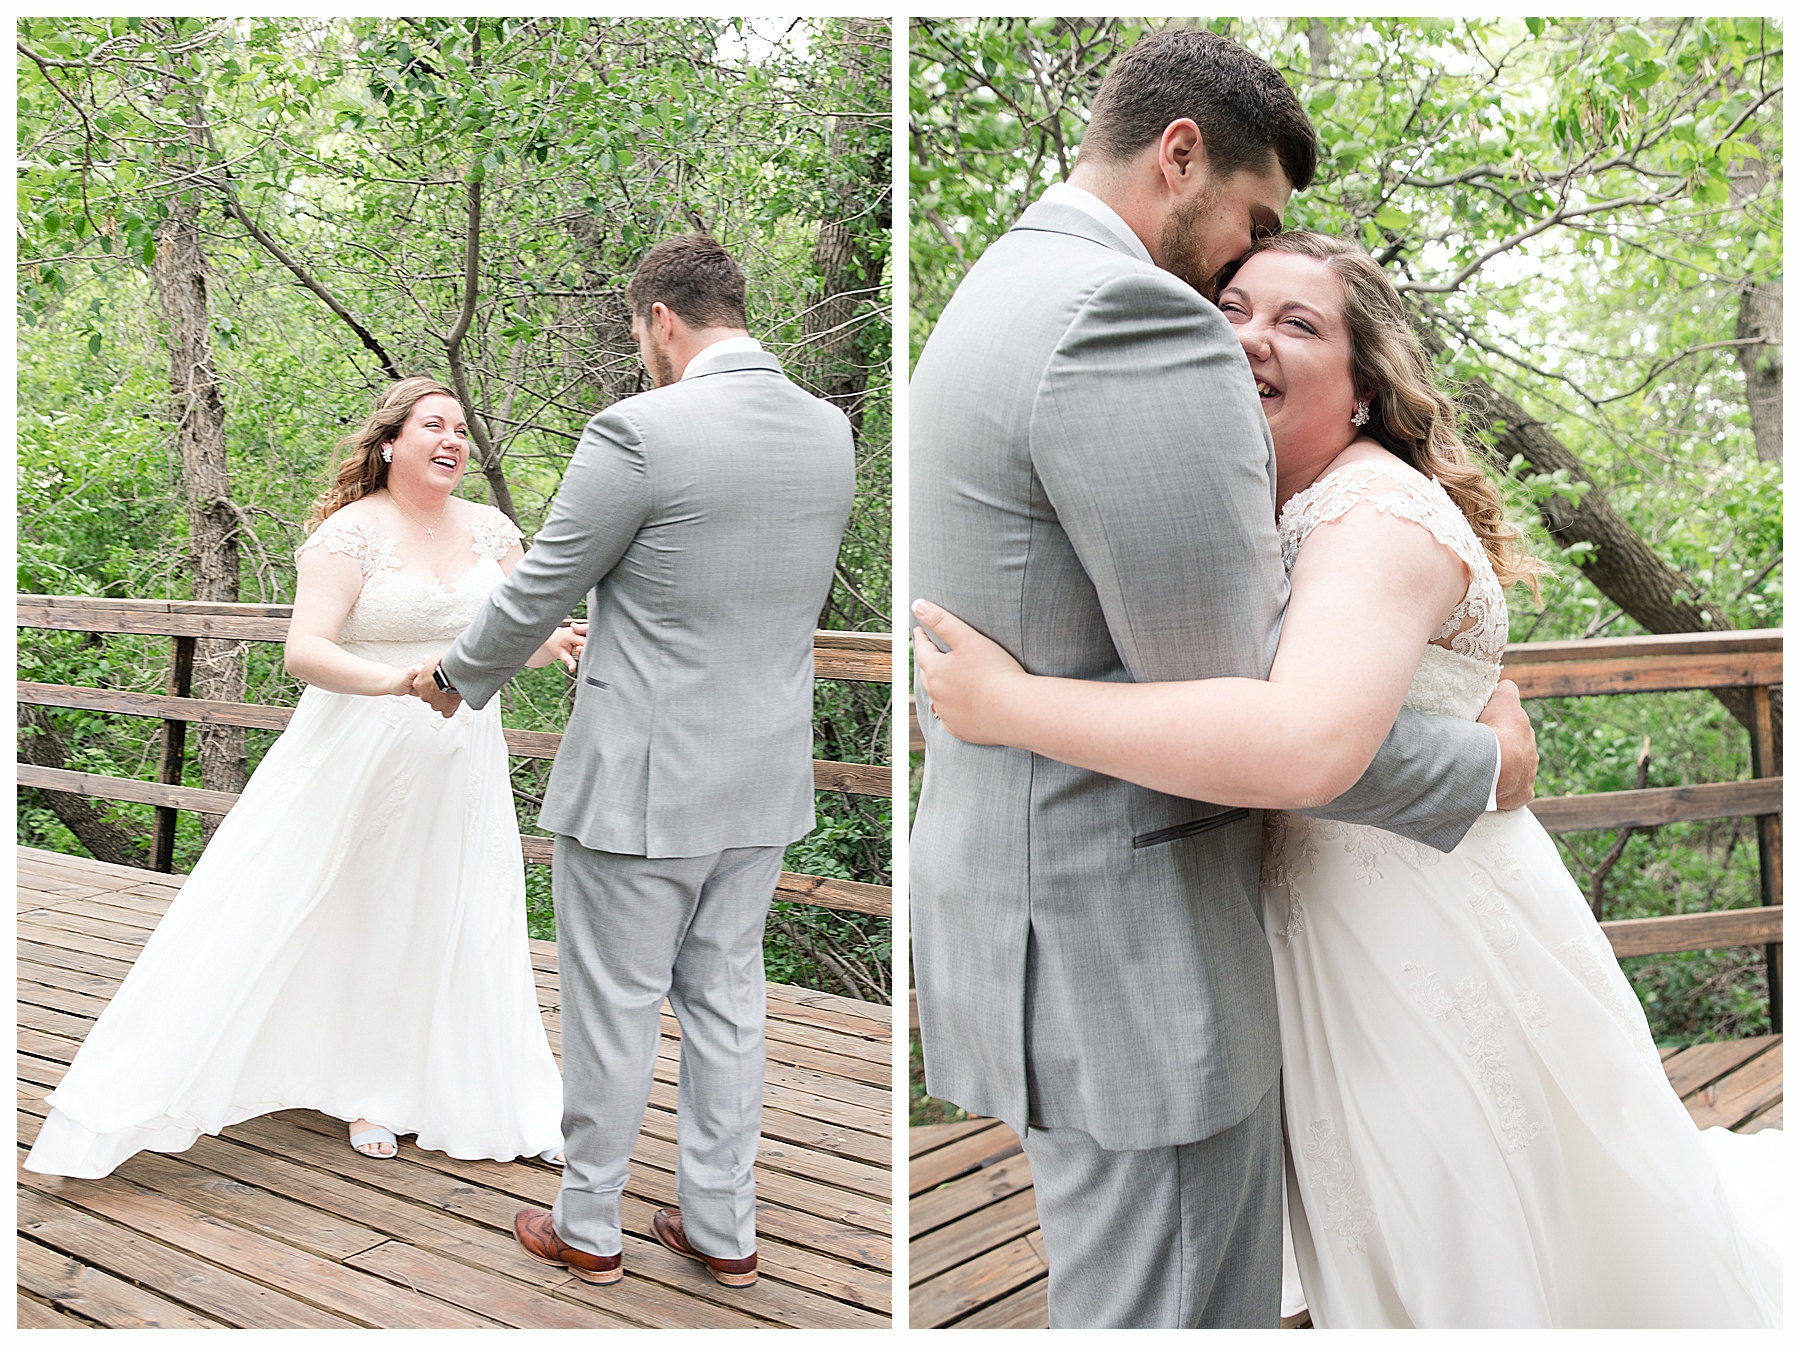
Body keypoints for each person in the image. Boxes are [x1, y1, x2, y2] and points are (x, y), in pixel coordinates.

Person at [912, 230, 1782, 1327]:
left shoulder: (1368, 513)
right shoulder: (1278, 501)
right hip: (1321, 926)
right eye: (1230, 308)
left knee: (1460, 1230)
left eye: (1296, 323)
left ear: (1368, 390)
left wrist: (1008, 706)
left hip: (1417, 931)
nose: (1246, 340)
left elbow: (1301, 743)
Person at [908, 28, 1536, 1330]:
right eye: (1251, 221)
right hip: (1136, 961)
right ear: (1180, 154)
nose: (1236, 266)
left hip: (1041, 923)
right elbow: (1258, 702)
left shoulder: (998, 288)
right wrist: (1487, 758)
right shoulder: (1122, 311)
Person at [411, 234, 855, 1289]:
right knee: (727, 1001)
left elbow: (539, 587)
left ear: (661, 320)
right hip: (762, 781)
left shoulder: (641, 432)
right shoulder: (830, 431)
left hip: (644, 780)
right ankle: (722, 1223)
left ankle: (590, 1222)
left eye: (637, 335)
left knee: (613, 1004)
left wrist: (455, 675)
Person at [25, 376, 574, 1177]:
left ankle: (453, 1080)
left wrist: (553, 643)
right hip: (359, 752)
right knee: (353, 909)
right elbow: (304, 651)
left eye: (461, 428)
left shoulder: (494, 534)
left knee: (454, 910)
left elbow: (509, 639)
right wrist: (405, 682)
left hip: (463, 762)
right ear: (391, 442)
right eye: (433, 426)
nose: (453, 440)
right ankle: (366, 1087)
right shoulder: (349, 533)